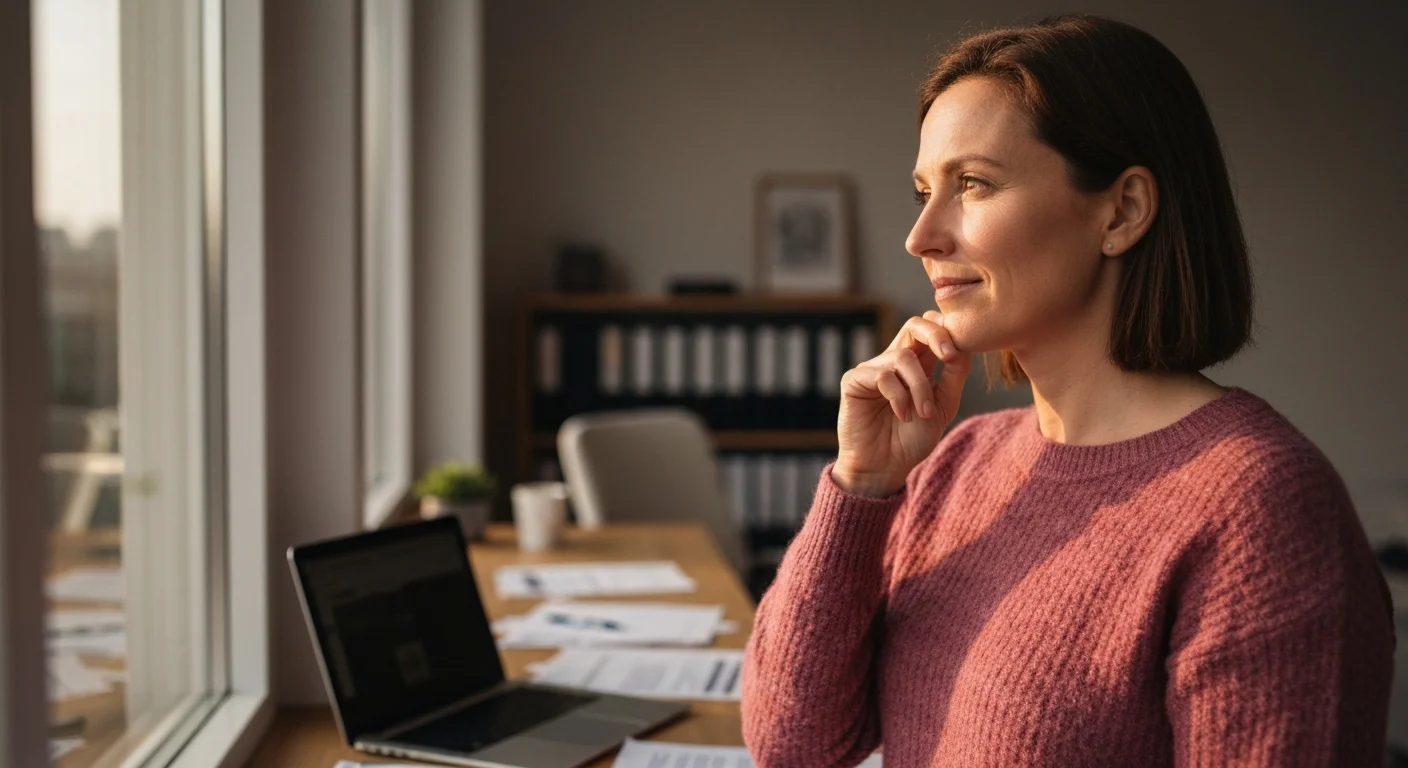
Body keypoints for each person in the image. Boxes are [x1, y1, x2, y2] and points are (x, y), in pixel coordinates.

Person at [740, 14, 1394, 767]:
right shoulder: (959, 464)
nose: (921, 237)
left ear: (1123, 211)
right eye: (923, 191)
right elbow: (792, 744)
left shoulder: (1260, 509)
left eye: (973, 184)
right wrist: (862, 484)